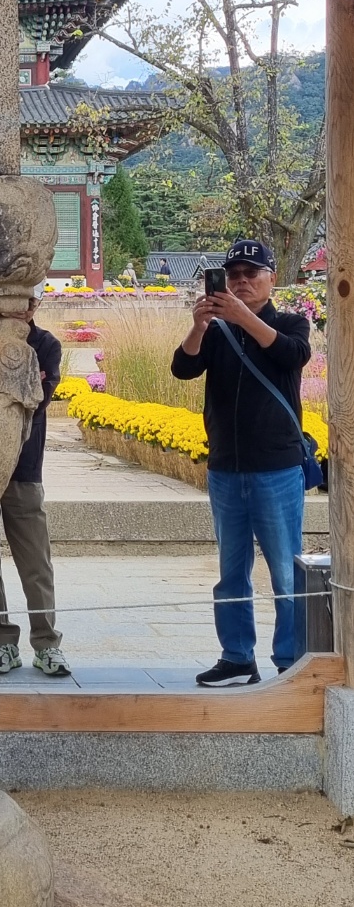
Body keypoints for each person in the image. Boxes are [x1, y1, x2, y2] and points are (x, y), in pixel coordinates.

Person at [172, 238, 311, 686]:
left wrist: (242, 316)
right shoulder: (217, 331)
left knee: (285, 570)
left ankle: (291, 661)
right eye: (233, 275)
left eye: (252, 274)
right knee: (231, 572)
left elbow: (291, 354)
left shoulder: (290, 322)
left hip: (277, 468)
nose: (242, 282)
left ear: (272, 278)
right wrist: (199, 326)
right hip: (226, 468)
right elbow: (183, 369)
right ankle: (236, 658)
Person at [0, 288, 68, 677]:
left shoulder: (46, 345)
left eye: (29, 302)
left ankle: (47, 642)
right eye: (14, 299)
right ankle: (2, 642)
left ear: (36, 305)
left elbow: (34, 400)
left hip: (23, 468)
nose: (21, 308)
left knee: (35, 561)